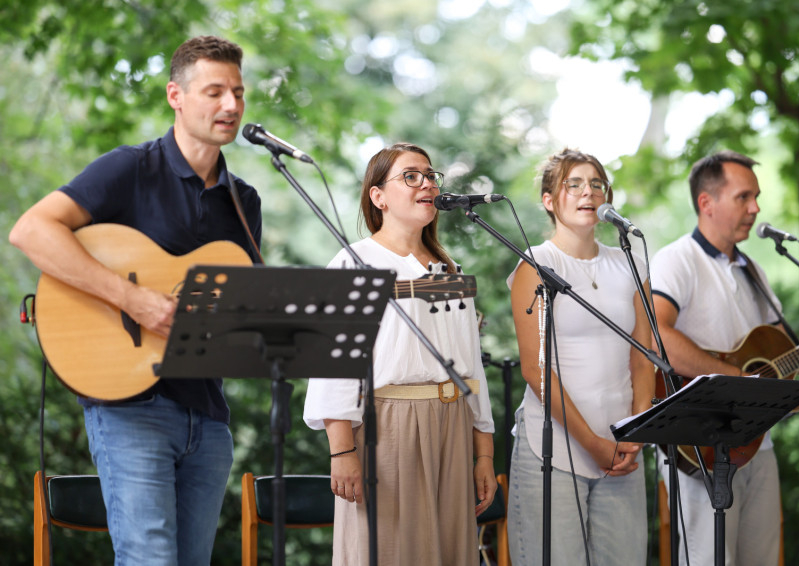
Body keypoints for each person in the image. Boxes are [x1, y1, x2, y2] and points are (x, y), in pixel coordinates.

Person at [9, 36, 261, 564]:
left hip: (208, 416)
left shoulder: (244, 202)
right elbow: (31, 231)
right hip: (129, 408)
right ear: (176, 95)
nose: (231, 105)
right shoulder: (129, 169)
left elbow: (238, 311)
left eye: (238, 93)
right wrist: (133, 299)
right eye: (215, 91)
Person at [650, 150, 799, 565]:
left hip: (758, 445)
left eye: (756, 197)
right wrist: (736, 382)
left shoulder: (752, 271)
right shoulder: (677, 260)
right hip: (700, 444)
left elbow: (791, 357)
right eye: (744, 197)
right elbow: (658, 337)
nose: (756, 208)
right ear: (706, 202)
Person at [303, 142, 497, 566]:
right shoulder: (354, 262)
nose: (426, 183)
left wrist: (483, 453)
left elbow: (472, 369)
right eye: (411, 176)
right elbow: (333, 369)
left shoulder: (450, 270)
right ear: (379, 196)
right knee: (387, 551)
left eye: (430, 175)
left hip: (453, 426)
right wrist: (342, 452)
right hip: (388, 427)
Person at [507, 148, 655, 565]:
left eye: (596, 184)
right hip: (552, 448)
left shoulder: (630, 263)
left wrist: (636, 431)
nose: (587, 192)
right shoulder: (536, 264)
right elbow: (535, 367)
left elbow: (643, 356)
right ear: (549, 200)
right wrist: (592, 443)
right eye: (573, 184)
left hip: (622, 448)